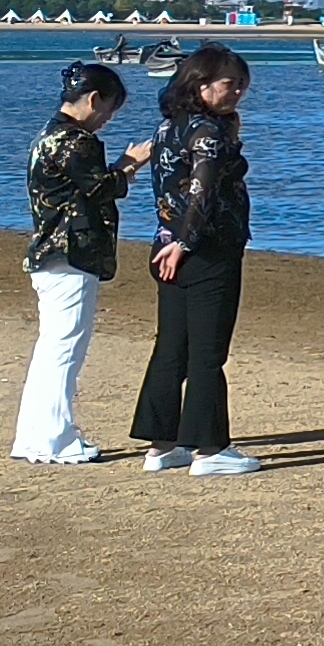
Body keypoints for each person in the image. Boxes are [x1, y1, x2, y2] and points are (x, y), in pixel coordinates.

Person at [128, 41, 259, 475]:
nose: (237, 92)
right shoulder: (207, 133)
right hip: (204, 250)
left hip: (168, 245)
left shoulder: (168, 129)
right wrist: (186, 241)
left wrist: (175, 240)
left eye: (242, 85)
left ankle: (161, 444)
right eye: (229, 84)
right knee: (206, 351)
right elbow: (201, 188)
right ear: (200, 84)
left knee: (172, 347)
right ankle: (209, 449)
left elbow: (170, 186)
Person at [10, 62, 132, 465]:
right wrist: (130, 164)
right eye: (109, 110)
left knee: (53, 348)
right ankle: (55, 439)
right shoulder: (77, 141)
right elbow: (99, 187)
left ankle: (35, 437)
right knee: (64, 349)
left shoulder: (47, 135)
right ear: (94, 100)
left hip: (50, 252)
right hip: (71, 252)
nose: (107, 120)